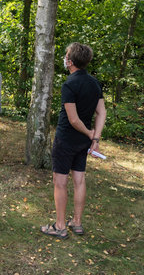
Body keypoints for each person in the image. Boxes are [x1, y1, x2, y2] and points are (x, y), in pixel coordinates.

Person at [40, 42, 106, 239]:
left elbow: (73, 119)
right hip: (82, 142)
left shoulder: (70, 84)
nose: (64, 58)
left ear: (70, 61)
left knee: (60, 182)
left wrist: (90, 134)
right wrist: (95, 137)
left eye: (66, 55)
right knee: (79, 179)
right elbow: (101, 112)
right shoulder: (94, 83)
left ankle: (60, 226)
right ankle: (76, 223)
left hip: (67, 139)